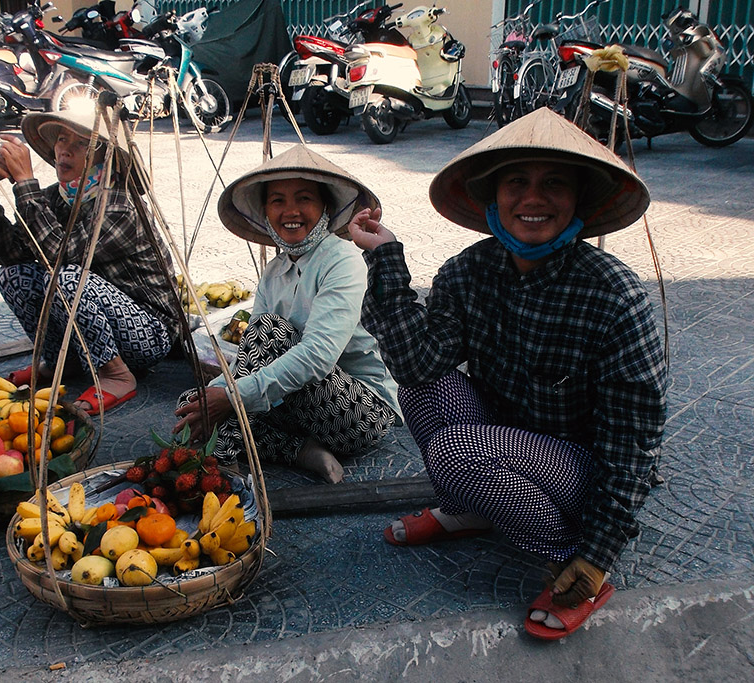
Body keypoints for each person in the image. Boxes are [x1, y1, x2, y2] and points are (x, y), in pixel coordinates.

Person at [349, 108, 667, 640]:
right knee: (426, 389)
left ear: (577, 202)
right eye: (517, 182)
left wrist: (597, 553)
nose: (533, 199)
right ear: (494, 196)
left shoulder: (615, 297)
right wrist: (385, 257)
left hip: (576, 470)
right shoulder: (468, 271)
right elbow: (417, 363)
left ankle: (570, 557)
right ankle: (471, 509)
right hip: (502, 438)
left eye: (554, 184)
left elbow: (634, 446)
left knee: (457, 452)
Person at [173, 145, 401, 483]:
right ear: (265, 211)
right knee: (189, 406)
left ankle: (221, 463)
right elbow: (251, 356)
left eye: (304, 198)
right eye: (277, 200)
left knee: (267, 332)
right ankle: (298, 450)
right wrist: (210, 399)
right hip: (296, 406)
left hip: (358, 411)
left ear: (324, 206)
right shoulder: (274, 272)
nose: (290, 210)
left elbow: (317, 356)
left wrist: (232, 398)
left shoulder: (342, 261)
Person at [0, 103, 180, 415]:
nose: (65, 152)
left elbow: (61, 256)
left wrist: (26, 184)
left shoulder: (120, 205)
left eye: (81, 143)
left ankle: (116, 374)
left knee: (67, 277)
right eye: (61, 140)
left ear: (103, 156)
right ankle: (60, 362)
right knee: (13, 275)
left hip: (148, 334)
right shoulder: (58, 197)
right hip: (89, 323)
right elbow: (6, 253)